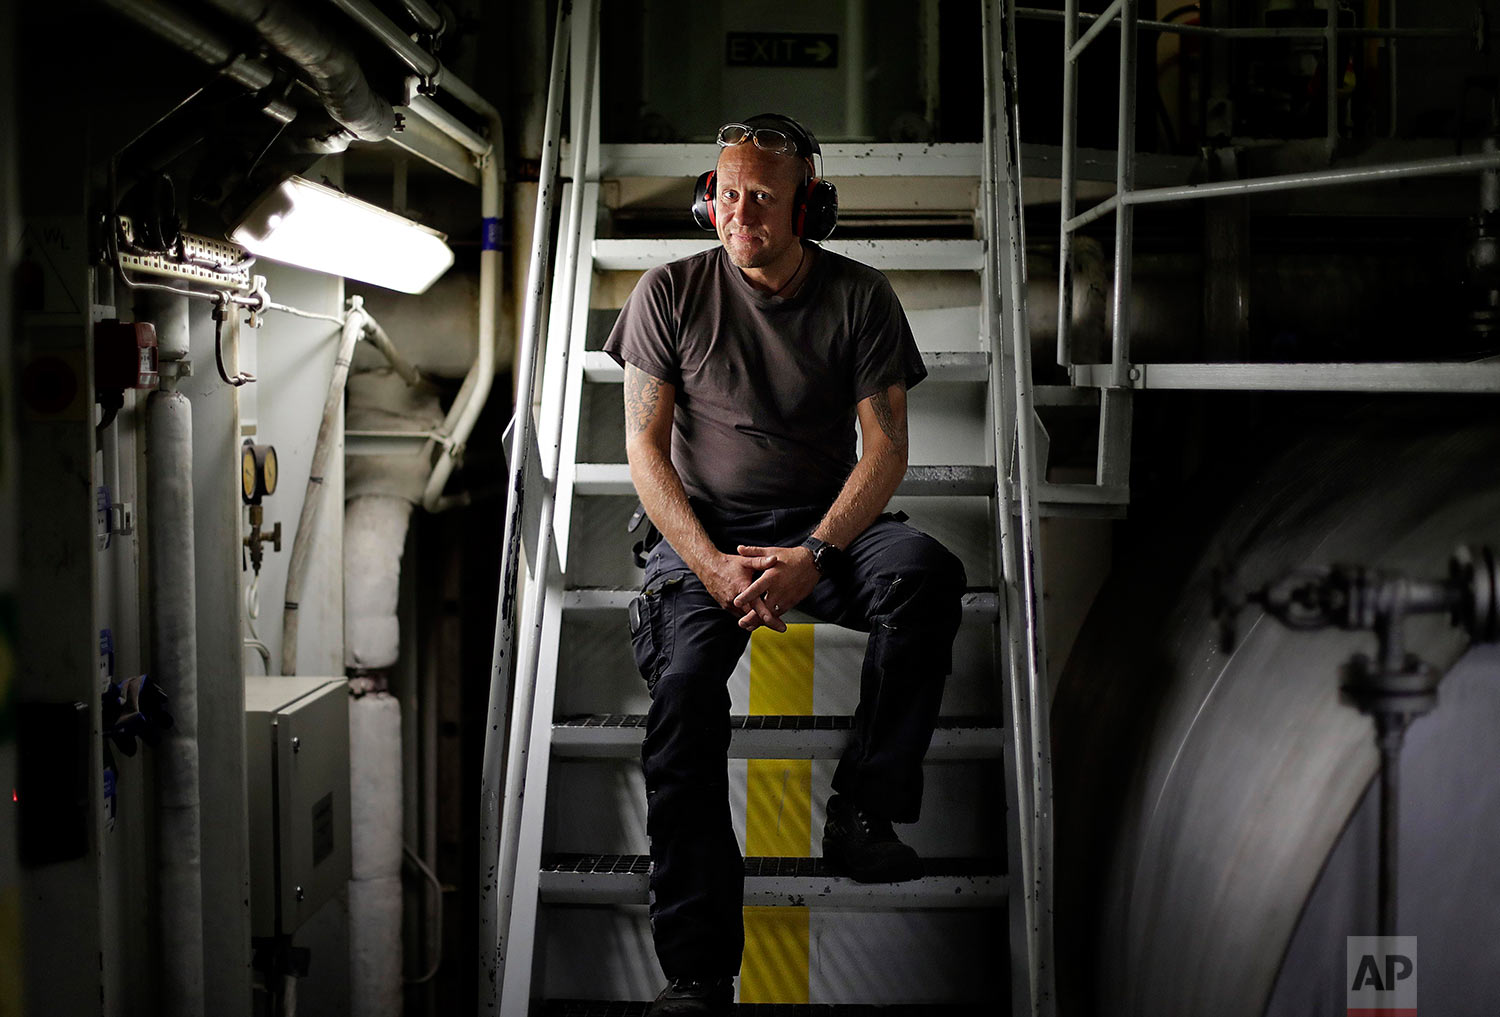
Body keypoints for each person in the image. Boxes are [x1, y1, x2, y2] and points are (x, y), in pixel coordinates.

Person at [603, 113, 967, 1015]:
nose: (738, 214)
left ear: (813, 205)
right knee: (684, 694)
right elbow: (646, 456)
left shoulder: (859, 296)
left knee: (923, 569)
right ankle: (698, 973)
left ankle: (862, 810)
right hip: (703, 542)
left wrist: (815, 553)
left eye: (761, 197)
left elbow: (884, 453)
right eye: (726, 194)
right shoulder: (668, 292)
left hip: (819, 530)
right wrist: (716, 568)